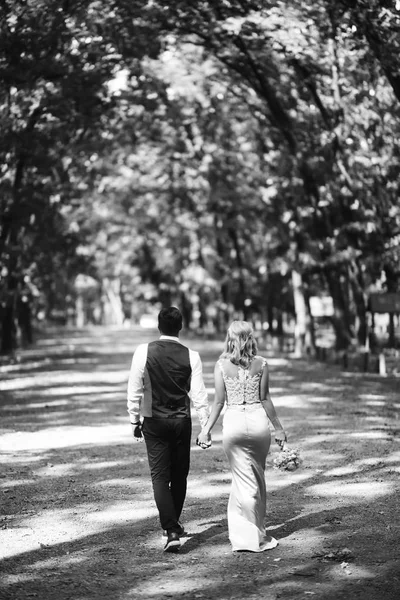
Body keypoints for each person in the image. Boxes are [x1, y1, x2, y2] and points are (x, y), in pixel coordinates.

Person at [196, 320, 287, 552]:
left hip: (234, 423)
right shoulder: (262, 364)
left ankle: (246, 534)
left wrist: (206, 429)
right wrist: (279, 428)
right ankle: (256, 529)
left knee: (241, 479)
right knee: (257, 477)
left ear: (230, 338)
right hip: (258, 423)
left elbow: (218, 402)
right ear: (250, 338)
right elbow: (265, 398)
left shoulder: (221, 365)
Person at [127, 306, 209, 552]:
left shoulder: (143, 351)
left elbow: (135, 389)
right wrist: (205, 426)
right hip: (182, 421)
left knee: (160, 476)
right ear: (180, 327)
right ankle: (172, 524)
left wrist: (134, 420)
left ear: (159, 326)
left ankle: (171, 529)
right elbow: (199, 396)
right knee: (180, 474)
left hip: (154, 420)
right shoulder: (191, 356)